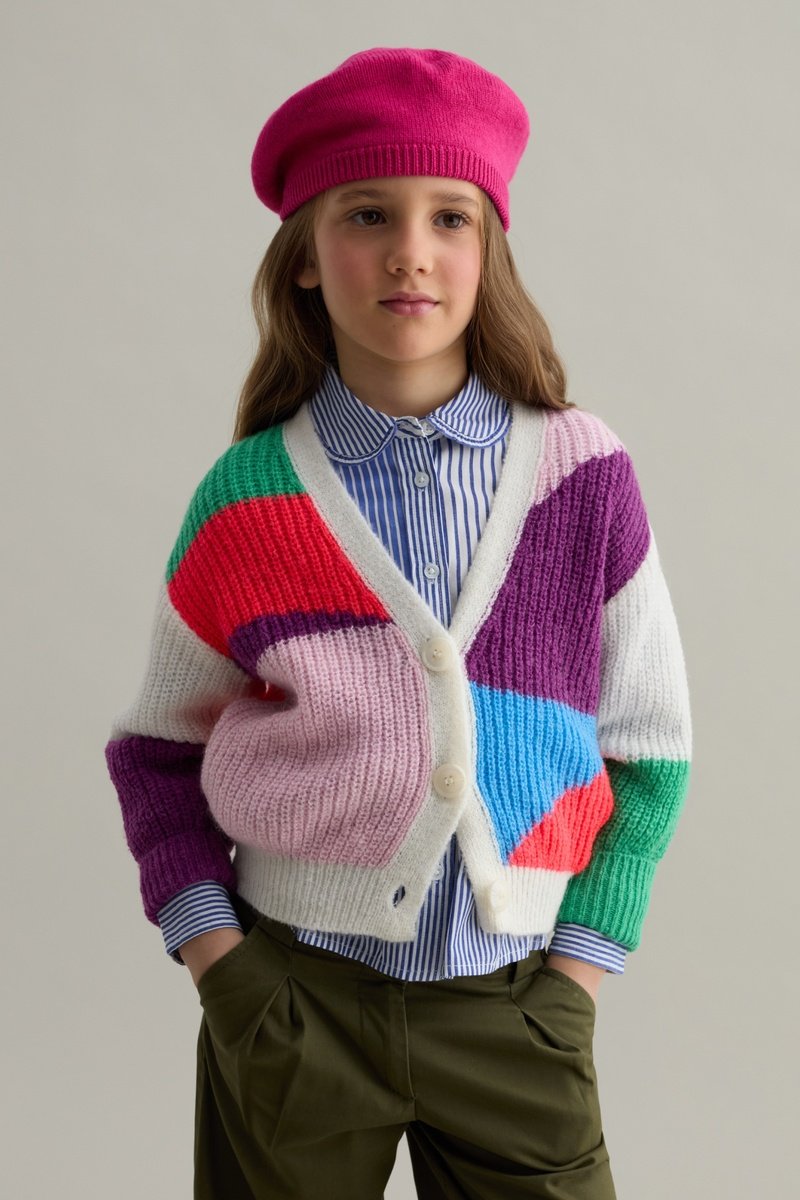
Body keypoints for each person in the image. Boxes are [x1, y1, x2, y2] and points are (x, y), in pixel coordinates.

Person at [105, 46, 692, 1200]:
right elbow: (157, 751)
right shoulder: (249, 495)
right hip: (294, 1003)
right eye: (367, 214)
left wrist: (575, 979)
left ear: (489, 251)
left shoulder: (580, 476)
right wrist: (224, 969)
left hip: (516, 1012)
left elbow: (650, 747)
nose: (410, 251)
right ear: (306, 257)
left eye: (449, 218)